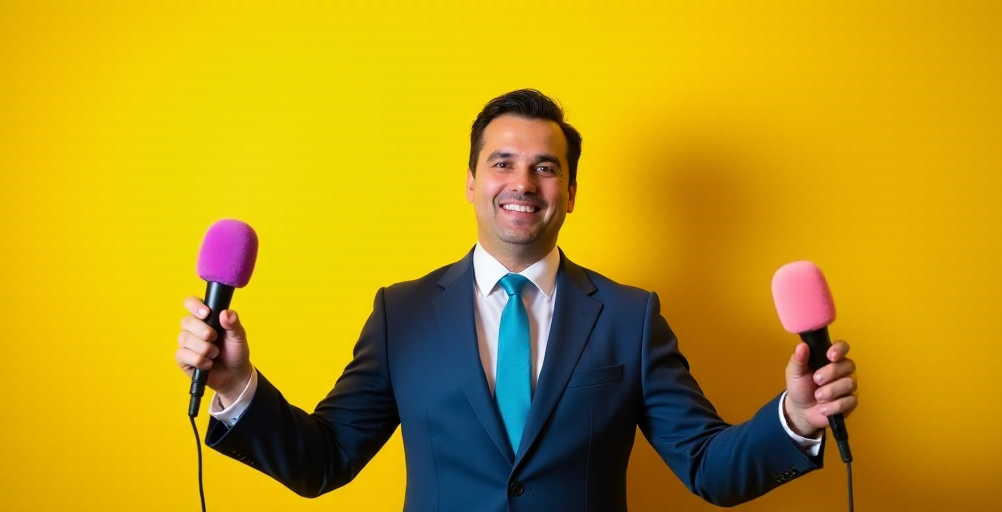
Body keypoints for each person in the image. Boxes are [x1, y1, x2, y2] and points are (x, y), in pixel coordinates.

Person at [175, 89, 858, 511]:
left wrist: (796, 415)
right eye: (502, 162)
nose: (522, 181)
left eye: (546, 166)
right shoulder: (402, 313)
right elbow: (323, 461)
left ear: (571, 193)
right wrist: (235, 385)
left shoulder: (629, 316)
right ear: (471, 183)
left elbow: (710, 468)